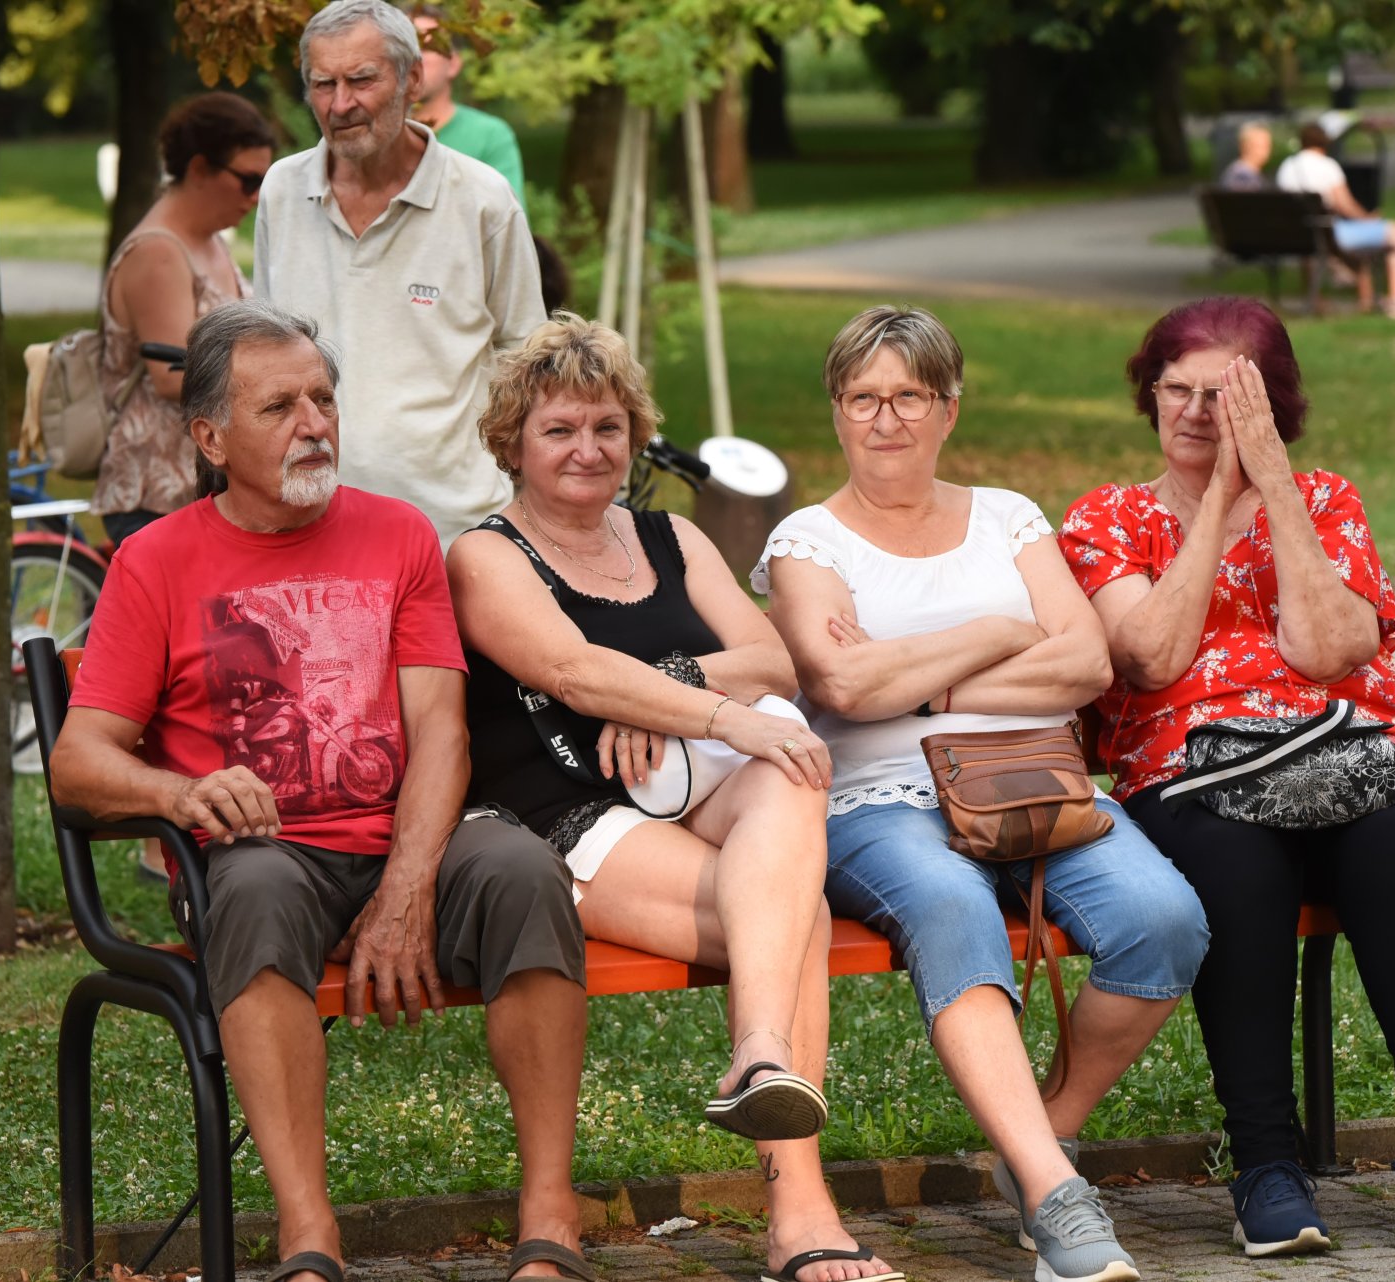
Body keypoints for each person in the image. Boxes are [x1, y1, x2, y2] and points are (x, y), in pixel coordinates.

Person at [49, 300, 592, 1282]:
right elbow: (79, 761)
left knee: (522, 869)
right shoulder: (154, 562)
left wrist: (407, 885)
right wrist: (182, 793)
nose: (314, 423)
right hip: (266, 857)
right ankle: (310, 1235)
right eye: (280, 407)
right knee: (248, 891)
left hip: (403, 835)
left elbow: (440, 729)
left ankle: (549, 1214)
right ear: (210, 437)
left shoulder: (398, 535)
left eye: (324, 399)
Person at [448, 314, 903, 1282]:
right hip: (566, 810)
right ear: (513, 444)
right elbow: (569, 669)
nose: (587, 449)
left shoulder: (672, 534)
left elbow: (773, 656)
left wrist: (668, 680)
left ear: (634, 433)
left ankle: (760, 1054)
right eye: (560, 429)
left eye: (608, 426)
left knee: (789, 774)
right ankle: (799, 1206)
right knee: (799, 915)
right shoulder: (483, 556)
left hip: (694, 790)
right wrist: (721, 713)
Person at [760, 305, 1211, 1282]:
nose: (886, 419)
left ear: (948, 408)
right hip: (876, 803)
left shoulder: (1007, 516)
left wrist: (917, 678)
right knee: (955, 905)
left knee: (1164, 917)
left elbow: (1088, 660)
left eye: (909, 397)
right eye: (864, 398)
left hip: (1028, 781)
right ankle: (1060, 1200)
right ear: (837, 412)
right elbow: (843, 690)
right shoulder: (808, 541)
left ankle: (1036, 1140)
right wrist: (1005, 635)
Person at [1059, 296, 1395, 1258]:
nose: (1196, 414)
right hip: (1188, 773)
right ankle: (1266, 1165)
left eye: (1226, 395)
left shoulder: (1326, 499)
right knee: (1234, 867)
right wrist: (1217, 497)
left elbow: (1331, 647)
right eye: (1178, 390)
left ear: (1273, 403)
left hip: (1344, 753)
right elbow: (1152, 663)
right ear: (1150, 394)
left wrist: (1276, 489)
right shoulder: (1109, 519)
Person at [253, 0, 545, 547]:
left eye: (362, 80)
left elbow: (528, 362)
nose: (341, 104)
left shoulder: (482, 199)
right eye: (322, 84)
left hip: (454, 529)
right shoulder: (282, 189)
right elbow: (266, 351)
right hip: (307, 521)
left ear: (413, 78)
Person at [93, 91, 271, 548]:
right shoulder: (158, 253)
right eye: (248, 180)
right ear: (198, 169)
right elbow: (173, 378)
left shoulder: (209, 242)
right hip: (158, 492)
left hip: (201, 487)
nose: (255, 198)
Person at [1275, 123, 1395, 319]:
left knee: (1340, 245)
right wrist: (1367, 219)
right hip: (1328, 234)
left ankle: (1336, 300)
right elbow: (1345, 205)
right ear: (1324, 143)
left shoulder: (1287, 167)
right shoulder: (1326, 166)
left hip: (1296, 234)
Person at [407, 4, 526, 208]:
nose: (414, 59)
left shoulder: (489, 136)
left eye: (427, 48)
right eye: (405, 47)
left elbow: (508, 226)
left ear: (453, 64)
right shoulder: (374, 135)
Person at [1219, 122, 1272, 190]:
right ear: (1244, 146)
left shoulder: (1252, 175)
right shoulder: (1242, 177)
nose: (1267, 150)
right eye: (1262, 145)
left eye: (1268, 145)